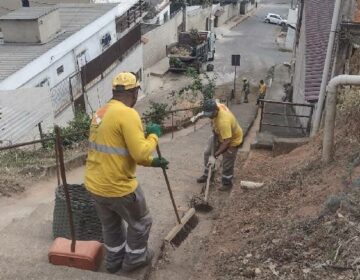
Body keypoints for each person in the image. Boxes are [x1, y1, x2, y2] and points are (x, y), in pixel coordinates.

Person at [84, 72, 169, 273]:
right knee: (141, 222)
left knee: (111, 225)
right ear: (133, 92)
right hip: (119, 187)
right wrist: (154, 136)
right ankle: (135, 260)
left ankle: (114, 262)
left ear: (115, 92)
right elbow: (139, 153)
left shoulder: (100, 113)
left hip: (95, 186)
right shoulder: (128, 114)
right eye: (137, 92)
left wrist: (152, 162)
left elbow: (119, 151)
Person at [197, 99, 243, 191]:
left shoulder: (224, 122)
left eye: (210, 115)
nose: (209, 116)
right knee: (207, 153)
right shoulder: (217, 105)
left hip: (232, 140)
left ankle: (227, 183)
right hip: (219, 135)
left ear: (215, 111)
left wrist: (215, 155)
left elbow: (227, 142)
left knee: (227, 161)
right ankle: (208, 175)